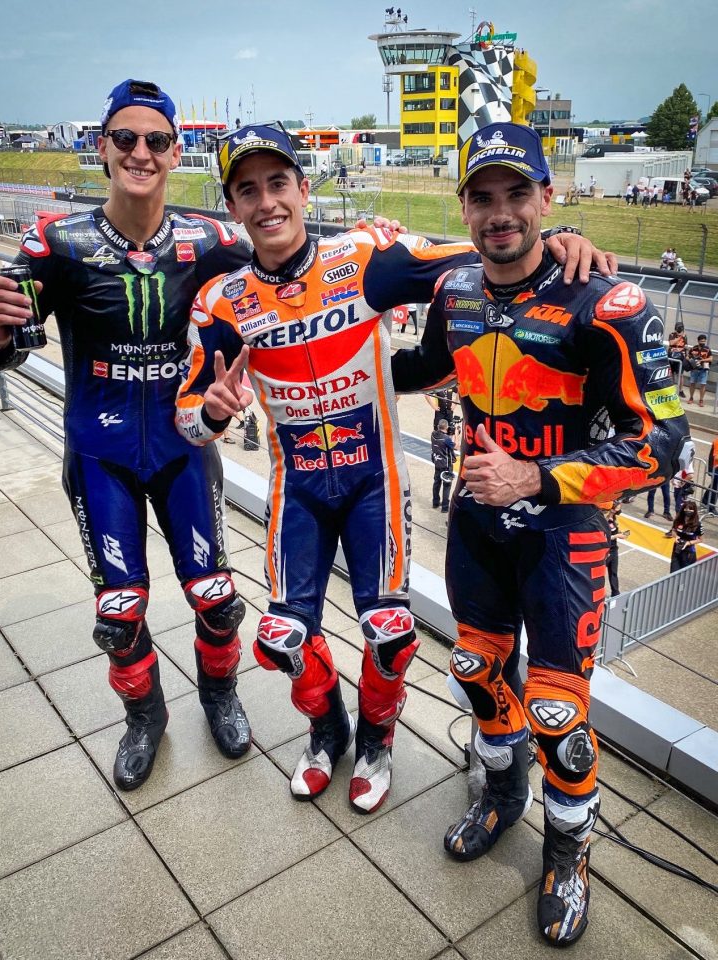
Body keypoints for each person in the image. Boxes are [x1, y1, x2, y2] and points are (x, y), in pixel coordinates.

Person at [175, 120, 614, 815]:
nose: (267, 202)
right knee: (283, 639)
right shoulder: (220, 300)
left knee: (390, 632)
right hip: (299, 489)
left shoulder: (364, 256)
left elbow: (489, 250)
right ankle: (328, 730)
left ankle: (377, 742)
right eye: (248, 190)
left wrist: (560, 242)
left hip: (373, 482)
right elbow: (189, 418)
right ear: (231, 206)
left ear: (303, 188)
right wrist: (214, 412)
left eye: (279, 182)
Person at [390, 121, 688, 946]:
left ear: (547, 198)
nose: (500, 213)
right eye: (482, 197)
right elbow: (420, 367)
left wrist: (538, 477)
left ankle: (568, 847)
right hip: (479, 527)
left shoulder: (608, 302)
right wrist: (314, 354)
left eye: (517, 193)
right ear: (463, 207)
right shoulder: (455, 292)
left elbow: (665, 443)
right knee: (477, 671)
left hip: (565, 537)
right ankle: (500, 792)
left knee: (558, 710)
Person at [0, 79, 255, 792]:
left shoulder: (212, 240)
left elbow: (295, 267)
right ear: (102, 148)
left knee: (217, 599)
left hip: (185, 448)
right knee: (119, 615)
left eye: (156, 140)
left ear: (176, 153)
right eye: (125, 138)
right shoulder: (56, 242)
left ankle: (219, 694)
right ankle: (145, 717)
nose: (140, 152)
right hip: (100, 455)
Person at [431, 417, 457, 512]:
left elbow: (444, 439)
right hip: (446, 465)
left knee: (436, 483)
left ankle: (435, 503)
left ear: (438, 426)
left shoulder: (433, 434)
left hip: (437, 463)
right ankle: (445, 507)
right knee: (447, 485)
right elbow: (456, 446)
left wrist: (448, 434)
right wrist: (456, 434)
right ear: (446, 427)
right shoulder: (446, 439)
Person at [604, 500, 629, 596]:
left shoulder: (614, 519)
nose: (619, 510)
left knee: (614, 573)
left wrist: (621, 534)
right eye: (618, 508)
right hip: (606, 550)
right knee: (600, 574)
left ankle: (615, 593)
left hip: (614, 549)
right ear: (612, 509)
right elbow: (604, 536)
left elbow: (614, 531)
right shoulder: (604, 520)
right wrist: (617, 536)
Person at [669, 500, 702, 572]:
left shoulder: (697, 524)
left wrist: (688, 543)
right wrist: (676, 536)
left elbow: (700, 539)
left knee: (685, 573)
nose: (688, 511)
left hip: (689, 552)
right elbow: (673, 530)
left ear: (694, 510)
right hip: (677, 549)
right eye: (686, 509)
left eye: (690, 509)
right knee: (673, 573)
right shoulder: (678, 519)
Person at [687, 334, 712, 406]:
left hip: (704, 370)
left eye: (704, 341)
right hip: (694, 369)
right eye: (701, 341)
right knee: (692, 383)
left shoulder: (707, 349)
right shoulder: (693, 348)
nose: (703, 343)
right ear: (698, 341)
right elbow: (687, 356)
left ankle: (701, 400)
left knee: (703, 385)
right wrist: (691, 360)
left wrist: (701, 360)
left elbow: (711, 359)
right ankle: (691, 398)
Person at [667, 322, 688, 397]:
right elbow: (671, 343)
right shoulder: (672, 335)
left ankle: (681, 391)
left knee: (681, 374)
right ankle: (672, 390)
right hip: (672, 356)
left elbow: (685, 346)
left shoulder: (685, 336)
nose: (679, 329)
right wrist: (680, 337)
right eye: (678, 327)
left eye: (681, 327)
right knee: (671, 374)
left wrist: (685, 354)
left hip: (680, 357)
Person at [701, 436, 718, 515]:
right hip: (715, 468)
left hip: (715, 468)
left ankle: (705, 500)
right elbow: (716, 457)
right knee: (715, 488)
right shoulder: (717, 442)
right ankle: (711, 507)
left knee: (714, 485)